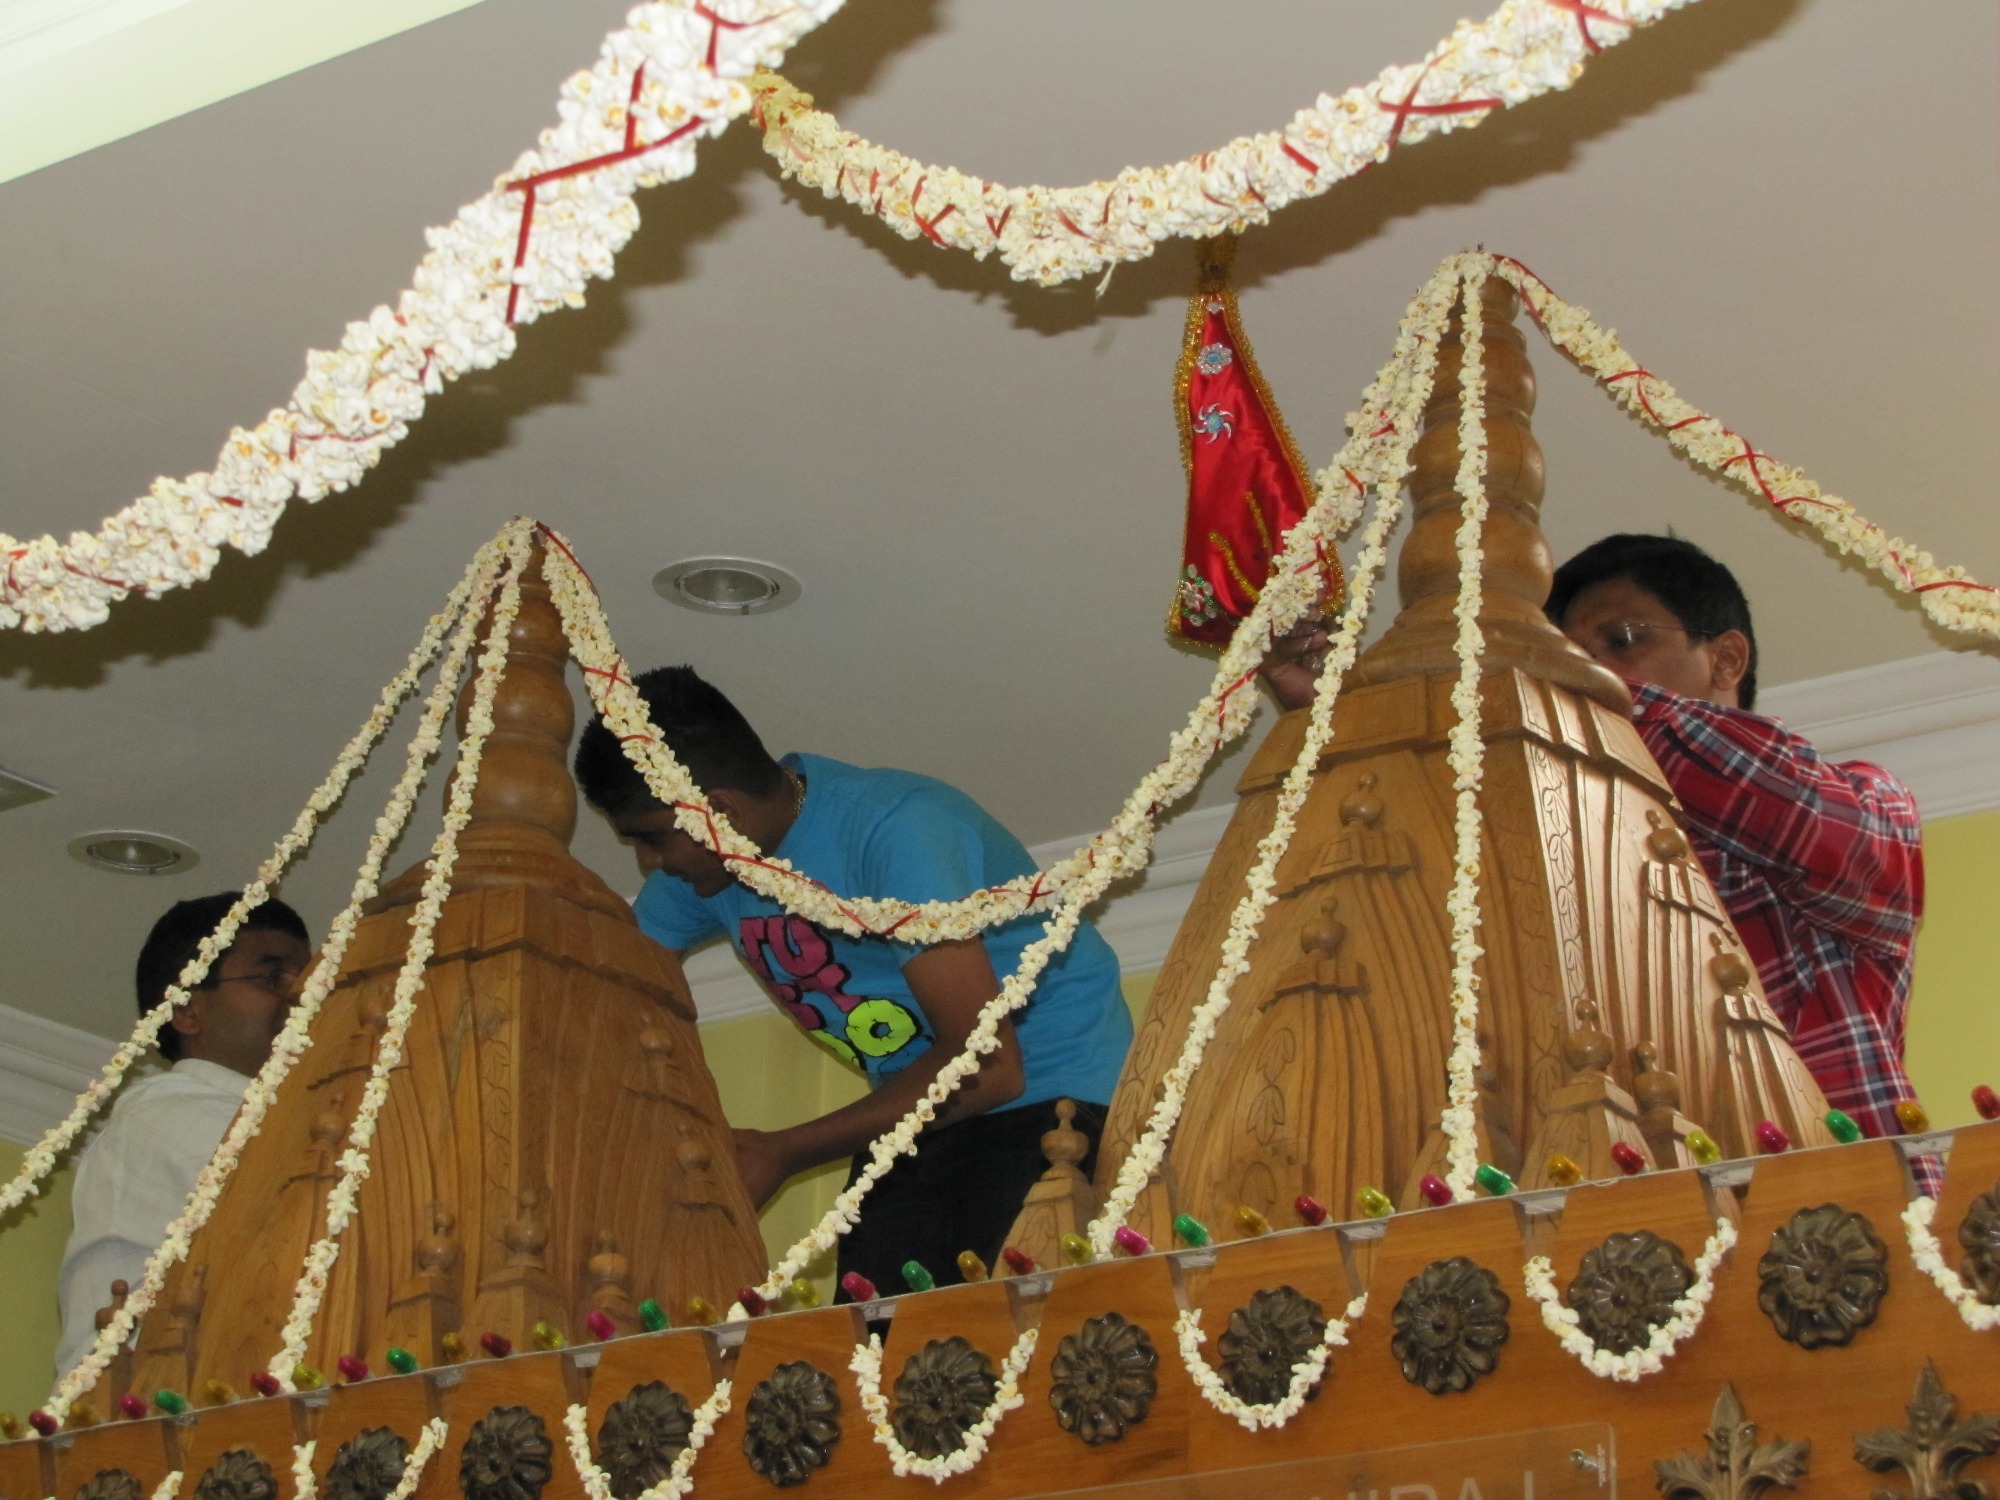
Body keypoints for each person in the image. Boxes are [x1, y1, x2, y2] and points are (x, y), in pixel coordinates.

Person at [573, 667, 1132, 1298]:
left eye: (652, 840)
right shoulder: (703, 874)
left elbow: (989, 1067)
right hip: (919, 1118)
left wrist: (781, 1152)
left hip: (1053, 1100)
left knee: (998, 1333)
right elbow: (606, 985)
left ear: (719, 812)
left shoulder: (897, 830)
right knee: (875, 1340)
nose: (649, 864)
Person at [1547, 533, 1927, 1163]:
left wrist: (1589, 696)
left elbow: (1814, 829)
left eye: (1622, 639)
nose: (1596, 673)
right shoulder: (1574, 851)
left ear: (1725, 660)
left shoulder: (1870, 798)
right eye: (1578, 658)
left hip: (1850, 1197)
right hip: (1655, 1198)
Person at [54, 894, 311, 1376]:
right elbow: (307, 1204)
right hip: (140, 1405)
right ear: (187, 1010)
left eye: (311, 979)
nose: (303, 997)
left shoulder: (283, 1119)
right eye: (273, 977)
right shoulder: (165, 1113)